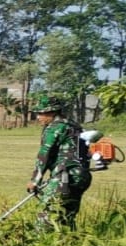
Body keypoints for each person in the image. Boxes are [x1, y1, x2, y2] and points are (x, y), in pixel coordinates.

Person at [27, 96, 92, 229]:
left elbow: (45, 154)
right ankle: (70, 240)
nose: (38, 117)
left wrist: (35, 181)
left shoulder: (55, 127)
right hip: (82, 176)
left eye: (41, 113)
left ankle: (40, 240)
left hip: (65, 175)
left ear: (52, 112)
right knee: (67, 216)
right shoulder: (75, 126)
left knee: (46, 215)